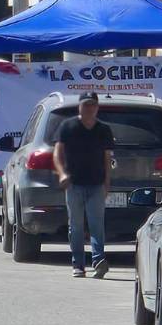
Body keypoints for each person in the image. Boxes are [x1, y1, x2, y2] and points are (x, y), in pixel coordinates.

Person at [54, 92, 114, 279]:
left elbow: (106, 158)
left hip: (96, 184)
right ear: (79, 107)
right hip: (74, 184)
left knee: (97, 225)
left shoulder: (103, 129)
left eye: (92, 105)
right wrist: (62, 173)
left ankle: (98, 260)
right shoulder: (68, 127)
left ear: (97, 107)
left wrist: (106, 183)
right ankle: (78, 264)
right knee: (76, 226)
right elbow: (57, 154)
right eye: (86, 105)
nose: (89, 109)